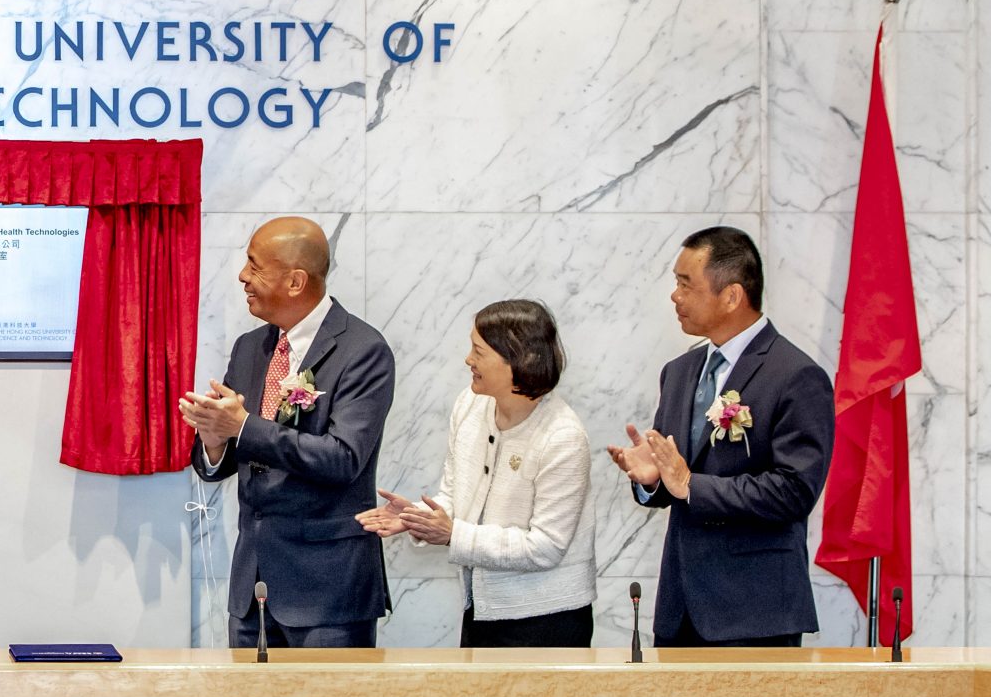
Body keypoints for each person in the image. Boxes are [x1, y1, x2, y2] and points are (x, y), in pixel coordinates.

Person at [607, 225, 834, 647]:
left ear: (731, 296)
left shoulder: (796, 375)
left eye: (685, 284)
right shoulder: (678, 372)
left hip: (754, 611)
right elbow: (678, 481)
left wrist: (692, 484)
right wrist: (654, 480)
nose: (674, 296)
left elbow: (795, 491)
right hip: (680, 608)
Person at [181, 216, 395, 648]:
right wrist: (214, 441)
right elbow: (239, 454)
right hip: (251, 587)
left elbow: (343, 458)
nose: (242, 276)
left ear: (296, 281)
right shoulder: (250, 347)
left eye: (255, 266)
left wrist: (244, 426)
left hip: (327, 591)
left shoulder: (362, 350)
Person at [358, 300, 596, 647]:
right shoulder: (469, 405)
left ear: (521, 359)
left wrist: (453, 535)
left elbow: (545, 547)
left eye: (479, 351)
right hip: (481, 610)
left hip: (547, 619)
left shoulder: (563, 437)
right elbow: (454, 497)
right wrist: (417, 518)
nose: (468, 360)